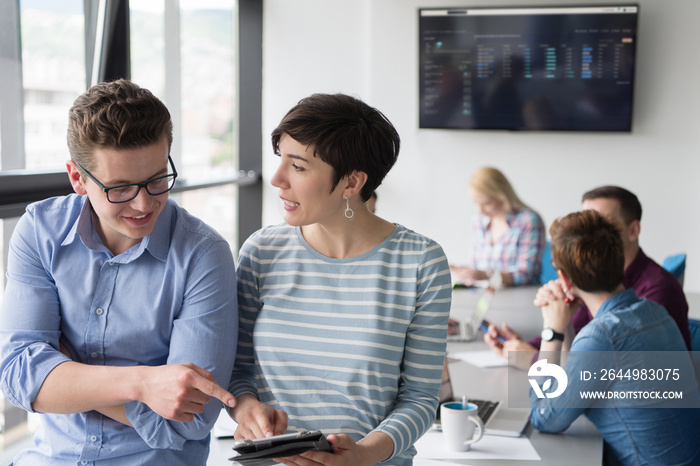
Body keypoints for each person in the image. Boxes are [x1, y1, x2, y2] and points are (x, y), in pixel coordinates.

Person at [0, 79, 238, 465]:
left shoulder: (203, 255)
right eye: (121, 188)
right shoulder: (40, 231)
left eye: (157, 179)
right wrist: (144, 384)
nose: (144, 203)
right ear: (78, 178)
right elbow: (17, 376)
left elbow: (189, 421)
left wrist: (66, 372)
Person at [228, 93, 452, 466]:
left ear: (352, 183)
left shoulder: (420, 262)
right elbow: (238, 370)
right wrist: (247, 409)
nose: (277, 179)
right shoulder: (261, 252)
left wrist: (364, 454)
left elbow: (420, 398)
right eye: (280, 159)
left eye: (297, 167)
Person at [528, 209, 700, 465]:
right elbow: (572, 384)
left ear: (563, 278)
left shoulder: (603, 337)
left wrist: (551, 331)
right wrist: (566, 329)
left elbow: (544, 416)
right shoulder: (654, 311)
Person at [485, 186, 691, 369]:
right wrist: (525, 345)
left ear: (633, 230)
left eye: (603, 223)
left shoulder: (657, 290)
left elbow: (598, 371)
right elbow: (575, 330)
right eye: (587, 221)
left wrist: (534, 359)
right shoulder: (593, 278)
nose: (590, 233)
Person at [450, 166, 545, 287]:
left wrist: (487, 275)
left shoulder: (528, 221)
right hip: (485, 298)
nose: (480, 209)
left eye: (487, 203)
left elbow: (527, 274)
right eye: (476, 203)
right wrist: (466, 272)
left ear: (502, 196)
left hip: (520, 297)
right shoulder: (478, 221)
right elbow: (477, 267)